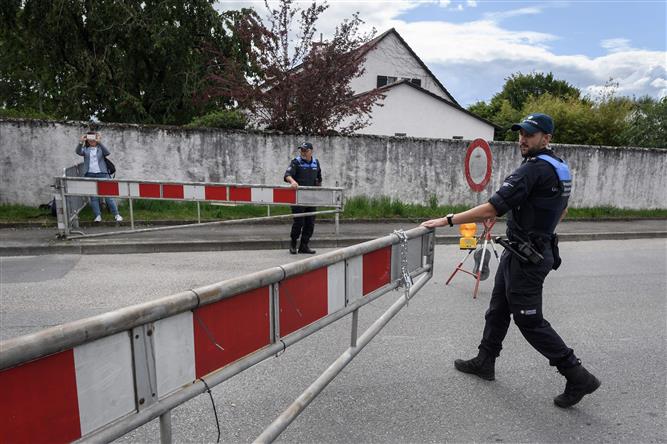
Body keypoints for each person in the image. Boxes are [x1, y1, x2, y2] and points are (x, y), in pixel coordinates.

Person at [422, 113, 600, 408]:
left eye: (530, 135)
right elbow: (563, 209)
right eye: (521, 134)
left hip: (527, 257)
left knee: (529, 320)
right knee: (498, 309)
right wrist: (537, 228)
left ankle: (577, 375)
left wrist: (447, 220)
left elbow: (493, 208)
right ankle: (485, 360)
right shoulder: (559, 166)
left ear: (546, 138)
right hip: (523, 249)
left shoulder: (534, 168)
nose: (522, 139)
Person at [75, 132, 123, 222]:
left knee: (108, 196)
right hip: (90, 174)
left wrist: (99, 142)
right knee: (94, 197)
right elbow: (78, 152)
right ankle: (97, 216)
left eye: (93, 138)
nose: (92, 140)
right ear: (87, 139)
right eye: (90, 138)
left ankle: (116, 214)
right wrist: (81, 142)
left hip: (102, 174)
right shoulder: (85, 149)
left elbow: (107, 152)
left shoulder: (100, 148)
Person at [284, 141, 322, 254]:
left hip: (311, 198)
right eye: (302, 150)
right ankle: (293, 244)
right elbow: (287, 175)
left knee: (310, 223)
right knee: (299, 222)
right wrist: (292, 181)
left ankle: (304, 246)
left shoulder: (316, 163)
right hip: (298, 198)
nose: (303, 152)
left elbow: (319, 179)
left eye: (305, 150)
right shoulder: (296, 162)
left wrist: (319, 188)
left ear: (311, 151)